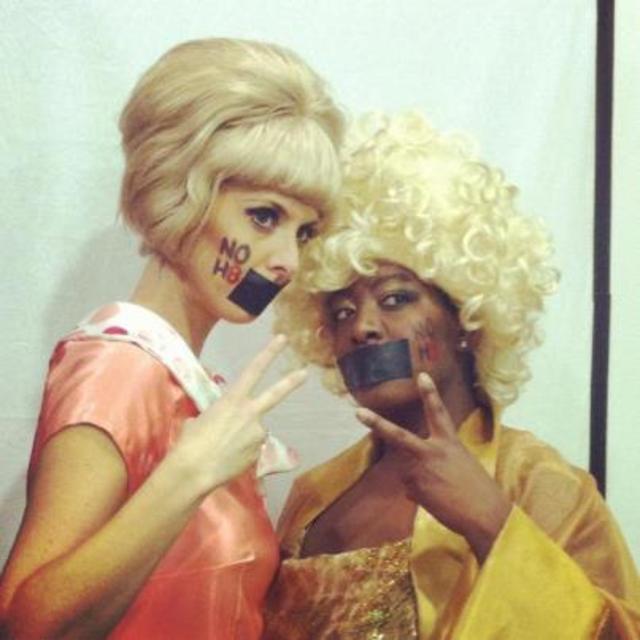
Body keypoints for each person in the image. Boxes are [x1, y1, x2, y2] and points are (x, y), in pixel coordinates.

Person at [0, 38, 344, 639]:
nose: (287, 260)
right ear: (182, 193)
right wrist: (189, 475)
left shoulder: (183, 383)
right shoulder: (120, 370)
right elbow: (26, 626)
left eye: (304, 232)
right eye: (264, 216)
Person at [264, 112, 640, 638]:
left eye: (396, 298)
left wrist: (491, 523)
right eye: (342, 311)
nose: (363, 328)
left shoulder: (541, 485)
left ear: (465, 317)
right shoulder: (313, 496)